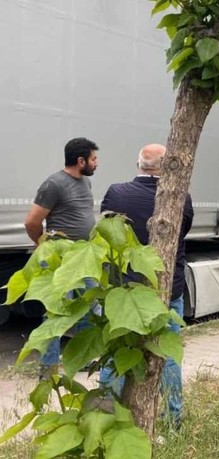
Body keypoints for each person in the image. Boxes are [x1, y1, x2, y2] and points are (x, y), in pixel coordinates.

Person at [100, 144, 194, 427]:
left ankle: (105, 414)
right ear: (167, 167)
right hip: (166, 287)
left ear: (138, 163)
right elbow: (183, 231)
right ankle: (173, 416)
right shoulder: (182, 198)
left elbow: (108, 232)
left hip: (124, 288)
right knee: (168, 352)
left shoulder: (116, 192)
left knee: (114, 351)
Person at [24, 137, 99, 380]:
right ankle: (48, 369)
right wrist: (41, 244)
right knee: (56, 313)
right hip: (60, 259)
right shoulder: (54, 184)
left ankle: (85, 360)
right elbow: (32, 221)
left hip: (84, 257)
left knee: (90, 309)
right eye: (93, 158)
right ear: (80, 161)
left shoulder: (85, 183)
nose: (96, 163)